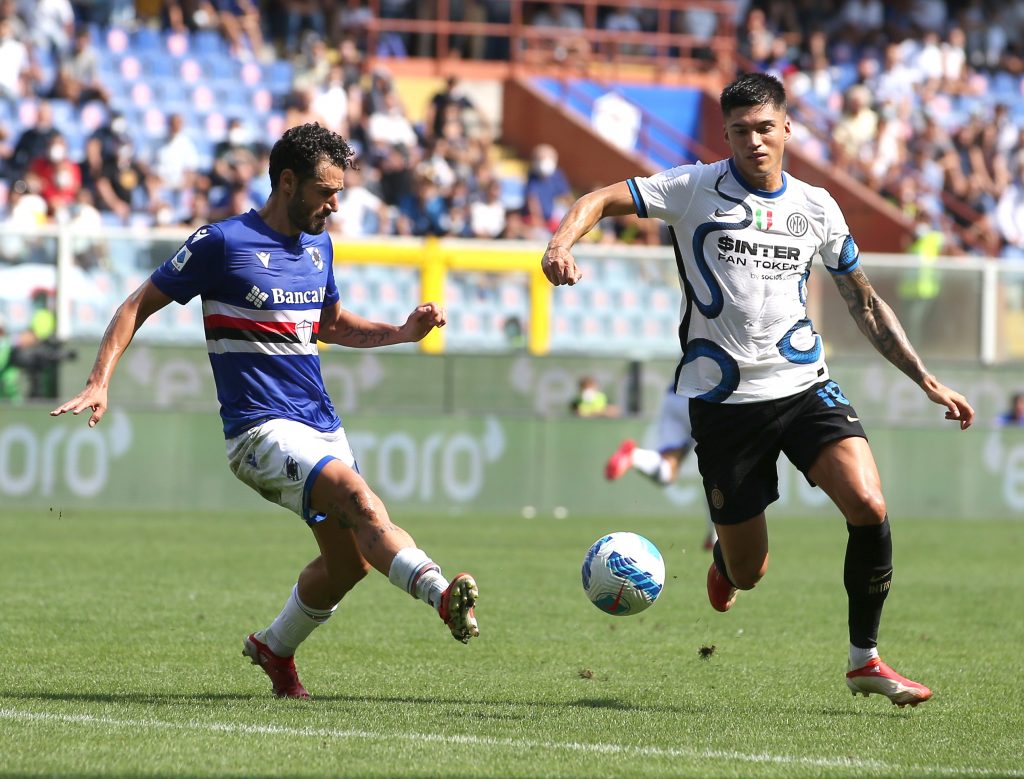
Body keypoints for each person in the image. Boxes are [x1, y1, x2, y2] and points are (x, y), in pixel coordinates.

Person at [541, 73, 974, 708]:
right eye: (741, 131)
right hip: (724, 406)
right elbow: (603, 197)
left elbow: (866, 304)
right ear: (727, 134)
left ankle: (865, 660)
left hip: (805, 387)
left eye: (765, 128)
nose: (755, 141)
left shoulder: (818, 206)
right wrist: (559, 244)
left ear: (787, 127)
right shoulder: (693, 187)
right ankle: (724, 564)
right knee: (750, 570)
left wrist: (925, 377)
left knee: (869, 505)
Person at [51, 123, 479, 700]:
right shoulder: (221, 244)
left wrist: (402, 332)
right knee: (359, 499)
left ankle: (273, 649)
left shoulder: (318, 246)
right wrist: (100, 378)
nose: (334, 204)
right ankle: (440, 596)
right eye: (326, 191)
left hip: (322, 425)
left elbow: (329, 325)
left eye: (340, 193)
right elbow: (136, 304)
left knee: (349, 564)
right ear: (286, 181)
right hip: (259, 431)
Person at [604, 386, 718, 551]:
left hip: (675, 396)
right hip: (710, 399)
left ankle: (634, 456)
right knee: (719, 473)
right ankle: (716, 537)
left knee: (667, 470)